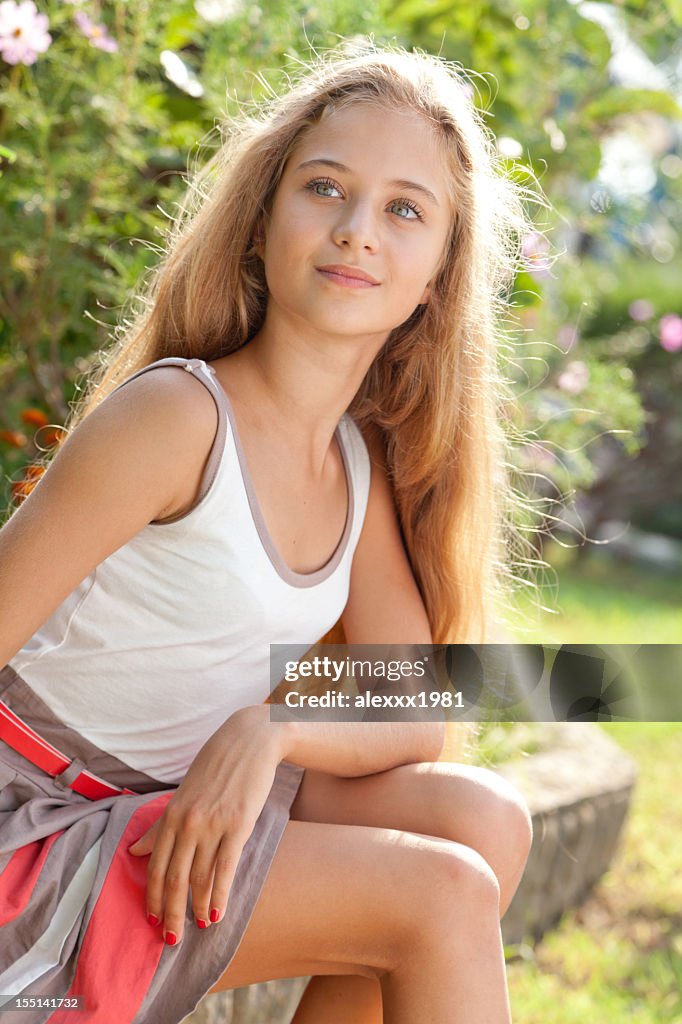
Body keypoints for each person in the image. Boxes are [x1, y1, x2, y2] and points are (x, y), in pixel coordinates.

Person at [0, 41, 536, 1024]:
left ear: (435, 282)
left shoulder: (351, 467)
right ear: (261, 225)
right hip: (32, 837)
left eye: (403, 209)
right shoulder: (178, 417)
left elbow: (418, 701)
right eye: (324, 188)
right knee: (440, 894)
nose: (356, 231)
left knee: (482, 818)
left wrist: (276, 721)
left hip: (157, 818)